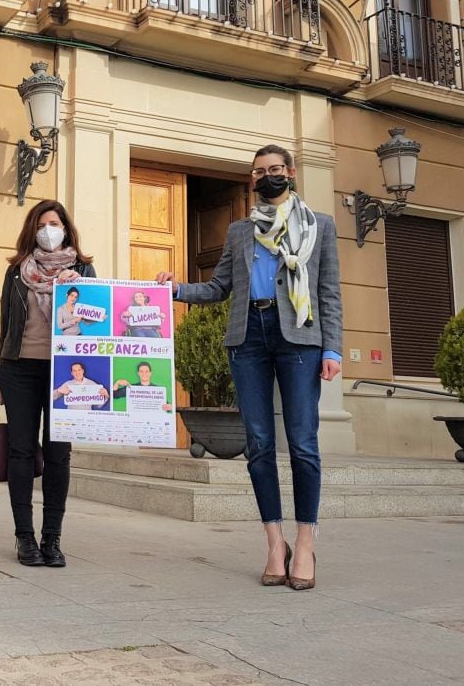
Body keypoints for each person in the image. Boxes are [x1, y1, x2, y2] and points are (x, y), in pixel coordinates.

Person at [156, 144, 342, 591]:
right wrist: (176, 289)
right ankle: (275, 544)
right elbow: (220, 287)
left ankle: (306, 542)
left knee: (302, 442)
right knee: (258, 443)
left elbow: (329, 291)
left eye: (276, 169)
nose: (268, 176)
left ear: (291, 173)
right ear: (253, 179)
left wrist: (333, 350)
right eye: (260, 172)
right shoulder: (240, 231)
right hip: (248, 337)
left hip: (300, 336)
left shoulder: (321, 226)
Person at [0, 200, 95, 567]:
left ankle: (52, 538)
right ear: (32, 230)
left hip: (66, 372)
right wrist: (2, 375)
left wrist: (82, 287)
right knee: (20, 452)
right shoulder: (15, 271)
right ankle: (24, 537)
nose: (48, 230)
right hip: (20, 368)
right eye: (41, 224)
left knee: (58, 455)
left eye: (54, 223)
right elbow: (6, 323)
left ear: (66, 228)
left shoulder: (83, 268)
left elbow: (95, 323)